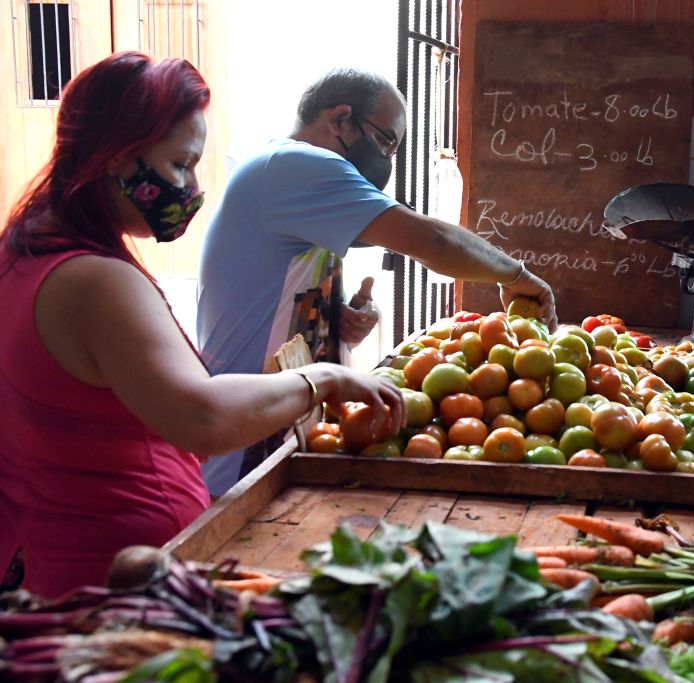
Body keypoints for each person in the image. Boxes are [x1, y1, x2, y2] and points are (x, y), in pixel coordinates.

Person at [0, 53, 403, 599]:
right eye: (180, 165)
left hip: (70, 562)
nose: (191, 188)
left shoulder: (24, 250)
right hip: (117, 586)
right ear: (118, 158)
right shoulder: (93, 280)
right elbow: (201, 417)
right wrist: (322, 380)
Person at [197, 68, 558, 496]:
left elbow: (280, 291)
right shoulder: (297, 166)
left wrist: (346, 315)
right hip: (245, 448)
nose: (386, 158)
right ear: (340, 120)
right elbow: (433, 241)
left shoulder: (291, 178)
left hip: (280, 431)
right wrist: (518, 275)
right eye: (386, 140)